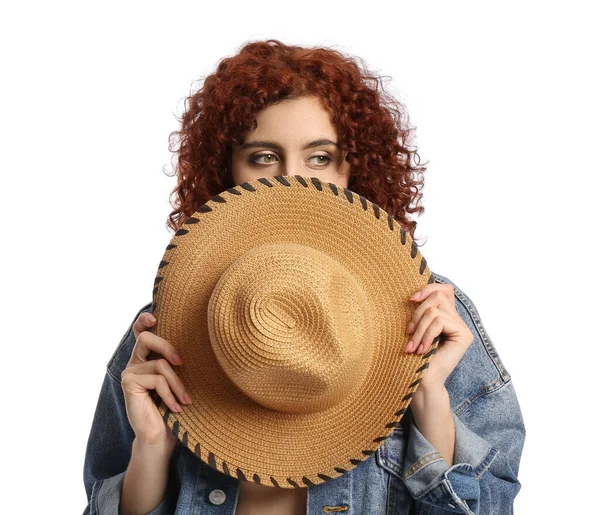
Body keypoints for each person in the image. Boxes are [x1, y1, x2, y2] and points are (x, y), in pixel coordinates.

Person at [83, 39, 525, 515]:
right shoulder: (164, 330)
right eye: (262, 157)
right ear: (226, 169)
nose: (294, 179)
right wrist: (151, 445)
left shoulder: (430, 314)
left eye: (319, 158)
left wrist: (428, 400)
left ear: (356, 166)